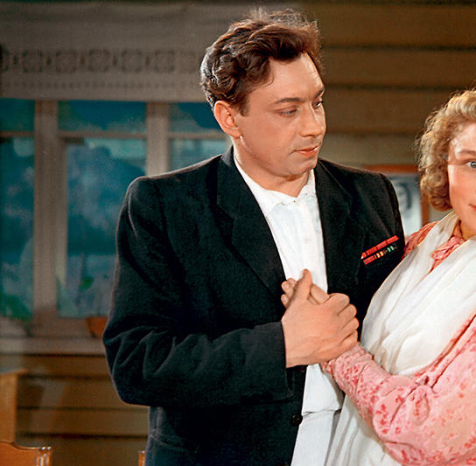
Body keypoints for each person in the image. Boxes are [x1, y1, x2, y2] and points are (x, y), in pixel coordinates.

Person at [102, 9, 404, 466]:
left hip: (357, 452)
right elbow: (137, 365)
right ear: (230, 117)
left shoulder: (371, 194)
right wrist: (282, 346)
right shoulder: (165, 205)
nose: (314, 126)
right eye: (288, 110)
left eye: (317, 102)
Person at [282, 88, 476, 465]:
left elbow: (433, 436)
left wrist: (338, 350)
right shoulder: (424, 243)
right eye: (471, 163)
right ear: (444, 166)